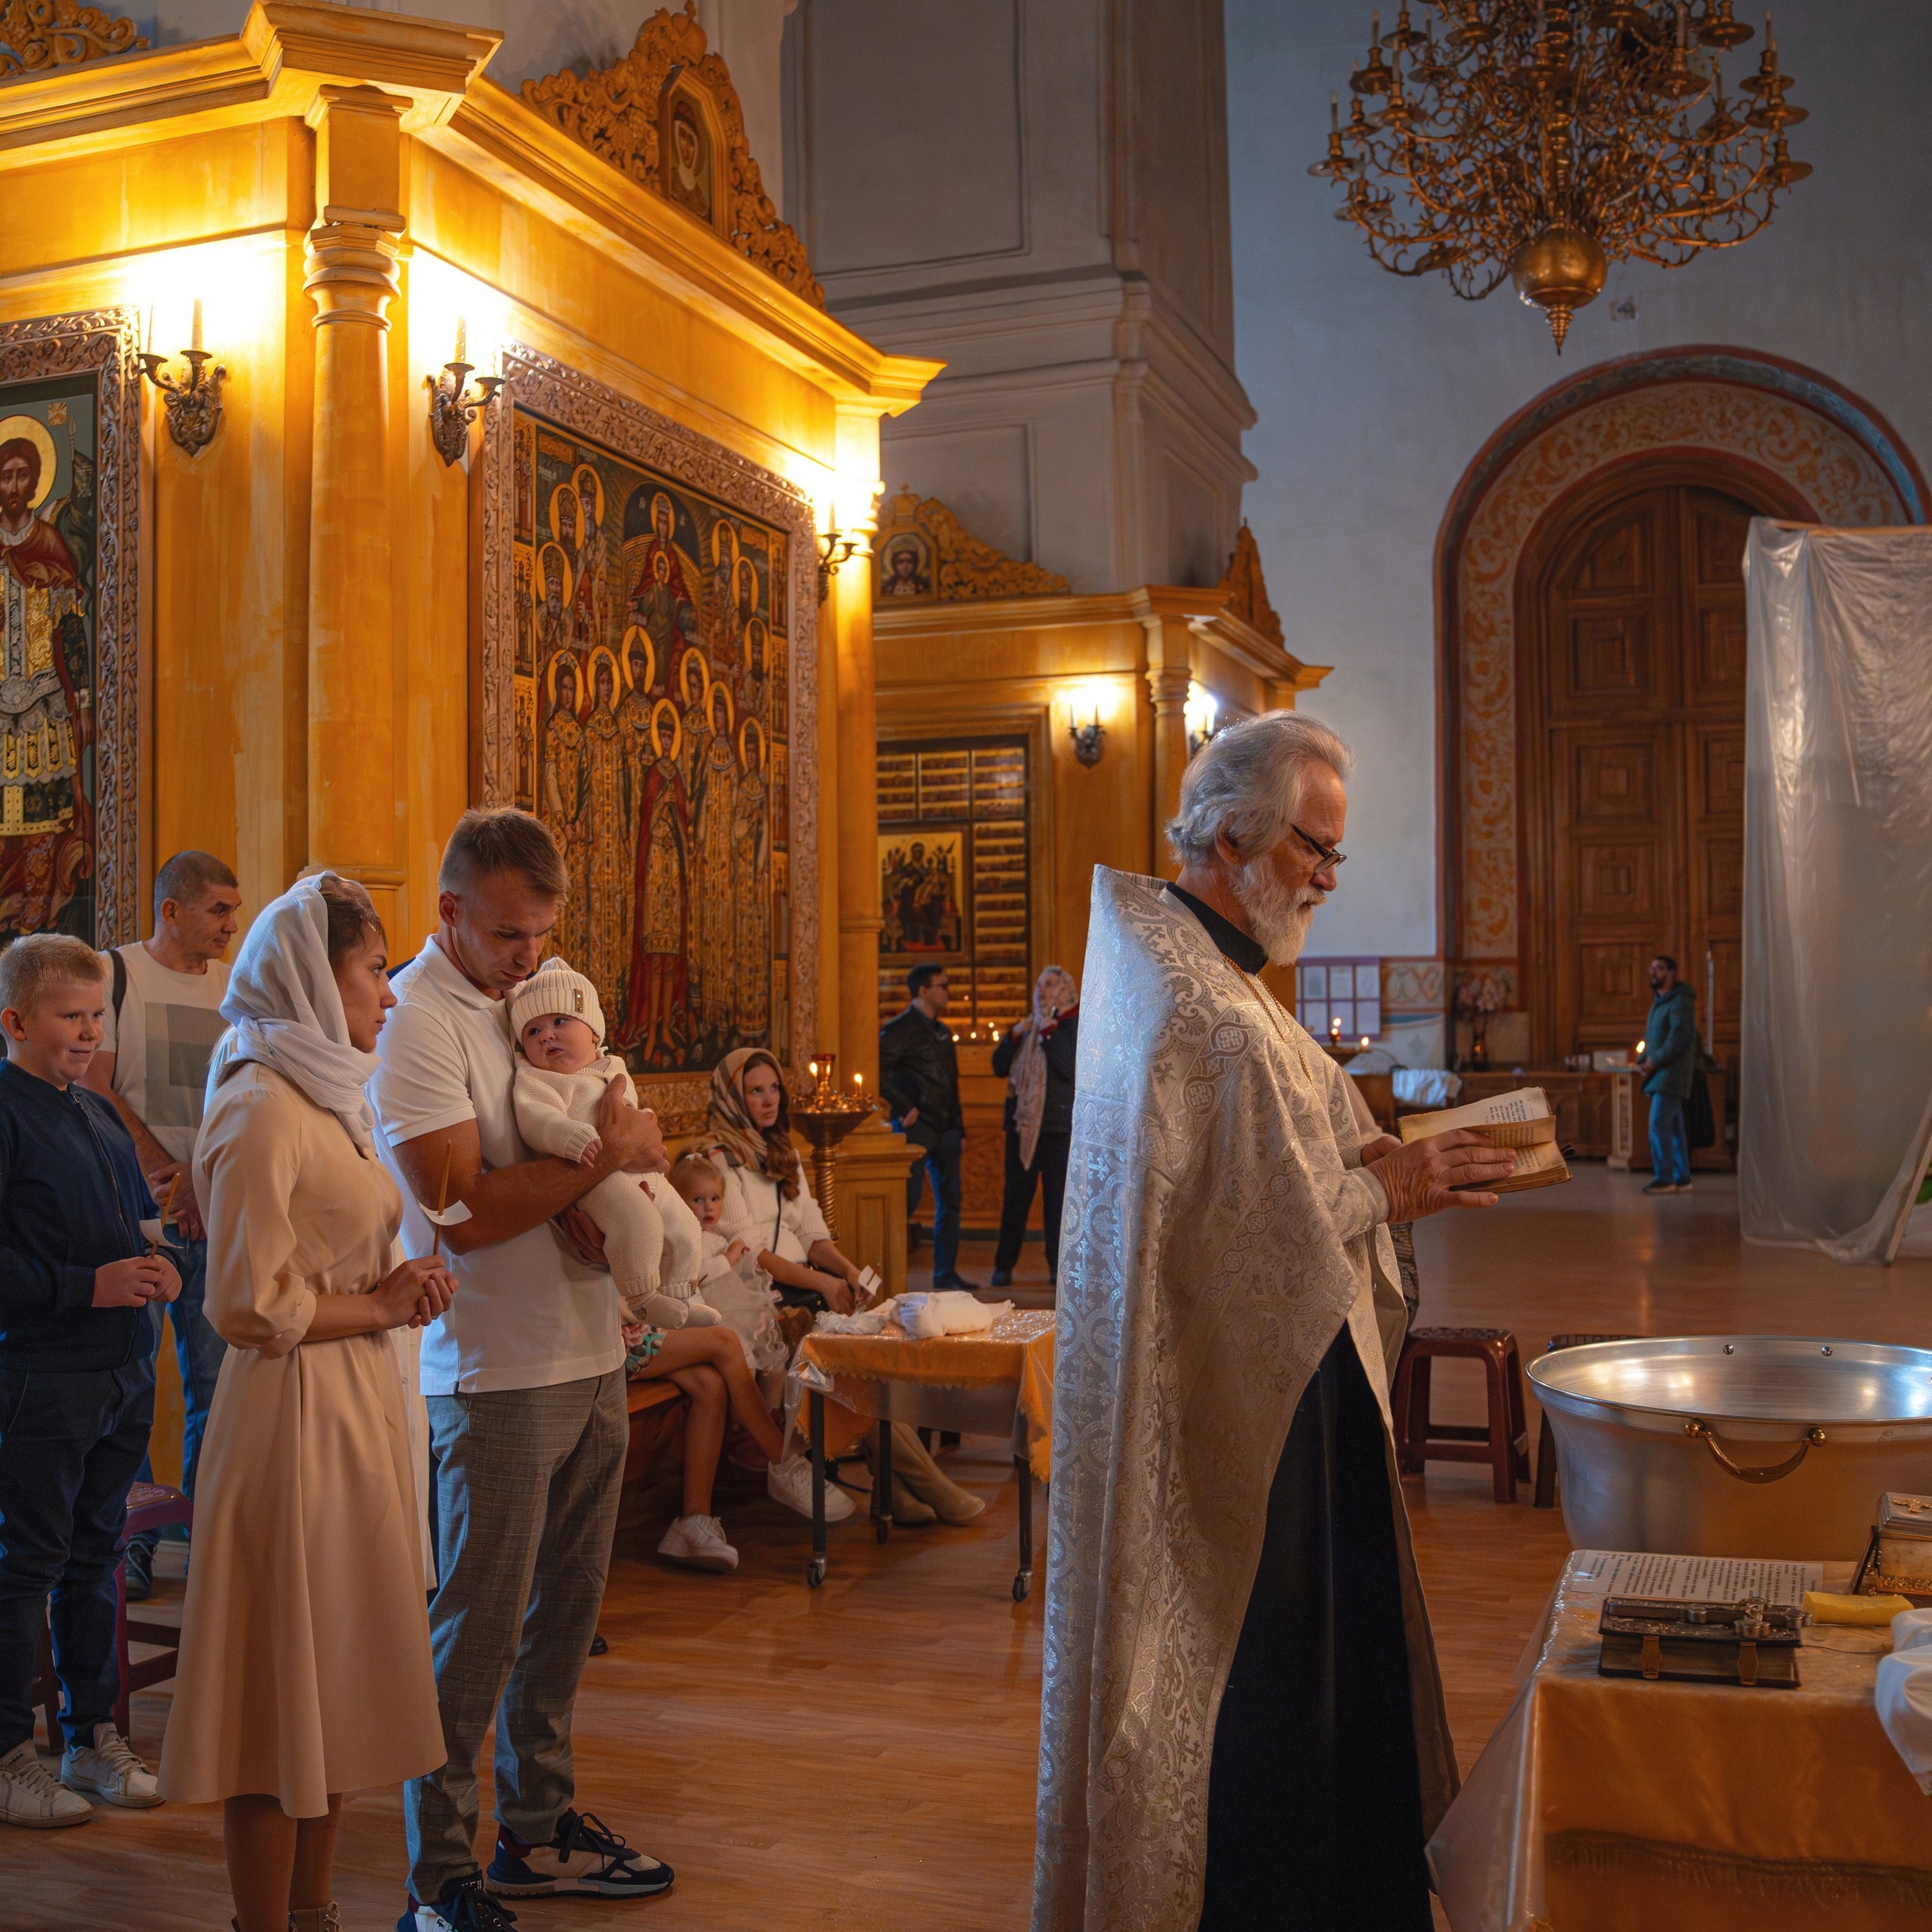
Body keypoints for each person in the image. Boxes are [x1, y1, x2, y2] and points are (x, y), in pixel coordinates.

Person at [1034, 711, 1518, 1932]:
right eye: (1318, 849)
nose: (1329, 879)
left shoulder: (1199, 975)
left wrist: (1365, 1164)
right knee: (1267, 1681)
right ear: (1239, 834)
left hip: (1283, 1377)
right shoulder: (1202, 1010)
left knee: (1313, 1668)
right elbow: (1242, 1241)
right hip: (1249, 1417)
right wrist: (1387, 1185)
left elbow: (1258, 1188)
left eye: (1337, 855)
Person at [370, 809, 674, 1932]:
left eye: (543, 934)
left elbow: (624, 1119)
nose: (531, 959)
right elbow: (460, 1212)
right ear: (450, 912)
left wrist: (612, 1175)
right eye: (508, 935)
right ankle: (438, 1876)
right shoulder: (415, 1020)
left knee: (566, 1615)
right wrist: (599, 1167)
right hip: (492, 1373)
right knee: (477, 1630)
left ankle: (537, 1832)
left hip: (594, 1349)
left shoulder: (553, 990)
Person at [158, 875, 456, 1932]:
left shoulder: (332, 1089)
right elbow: (244, 1302)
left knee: (335, 1695)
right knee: (278, 1706)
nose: (387, 989)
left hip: (355, 1406)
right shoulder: (257, 1101)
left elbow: (349, 1252)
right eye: (373, 967)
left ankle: (319, 1913)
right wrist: (377, 1301)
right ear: (311, 975)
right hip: (288, 1420)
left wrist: (399, 1291)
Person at [0, 934, 178, 1830]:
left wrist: (156, 1260)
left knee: (94, 1561)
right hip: (39, 1377)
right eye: (70, 1016)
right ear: (15, 1019)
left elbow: (132, 1219)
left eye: (96, 1015)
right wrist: (88, 1286)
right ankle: (6, 1755)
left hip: (119, 1372)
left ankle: (89, 1737)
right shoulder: (6, 1109)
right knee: (23, 1568)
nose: (86, 1032)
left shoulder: (97, 1111)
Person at [81, 849, 243, 1599]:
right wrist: (165, 1174)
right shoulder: (115, 976)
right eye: (218, 909)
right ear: (170, 909)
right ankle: (132, 1539)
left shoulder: (236, 988)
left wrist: (204, 1183)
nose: (231, 925)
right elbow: (95, 1083)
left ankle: (209, 1531)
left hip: (214, 1210)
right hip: (135, 1210)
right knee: (133, 1382)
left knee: (215, 1377)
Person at [696, 1048, 870, 1521]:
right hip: (746, 1284)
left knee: (872, 1332)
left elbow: (811, 1230)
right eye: (755, 1090)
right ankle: (785, 1460)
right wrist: (824, 1284)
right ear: (734, 1097)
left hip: (800, 1279)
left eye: (774, 1088)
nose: (769, 1100)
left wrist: (849, 1273)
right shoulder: (718, 1157)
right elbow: (750, 1250)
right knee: (813, 1330)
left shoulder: (784, 1151)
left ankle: (898, 1475)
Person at [509, 957, 716, 1331]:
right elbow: (534, 1119)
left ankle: (680, 1293)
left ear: (593, 1032)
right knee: (640, 1224)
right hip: (592, 1175)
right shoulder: (537, 1079)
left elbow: (633, 1113)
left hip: (639, 1168)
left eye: (559, 1021)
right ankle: (643, 1299)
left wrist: (647, 1130)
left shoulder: (614, 1066)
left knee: (685, 1225)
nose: (546, 1035)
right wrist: (567, 1135)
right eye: (532, 1031)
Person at [879, 964, 972, 1289]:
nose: (949, 991)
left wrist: (959, 1129)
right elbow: (878, 1072)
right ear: (923, 990)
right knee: (907, 1199)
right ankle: (891, 1277)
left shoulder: (943, 1031)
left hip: (946, 1128)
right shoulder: (897, 1030)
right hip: (915, 1128)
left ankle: (944, 1275)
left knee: (951, 1202)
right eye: (943, 985)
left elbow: (952, 1083)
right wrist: (906, 1107)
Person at [989, 966, 1080, 1288]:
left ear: (1066, 991)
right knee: (1015, 1200)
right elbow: (999, 1067)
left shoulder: (1072, 1026)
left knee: (1057, 1202)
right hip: (1022, 1128)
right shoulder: (1027, 1026)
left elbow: (1070, 1067)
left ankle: (1058, 1268)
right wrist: (1015, 1036)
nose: (1043, 991)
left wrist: (1049, 1032)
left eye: (1051, 986)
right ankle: (1003, 1266)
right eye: (1040, 985)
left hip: (1057, 1129)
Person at [1638, 952, 1697, 1196]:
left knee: (1658, 1125)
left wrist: (1653, 1062)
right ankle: (1682, 1178)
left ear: (1672, 973)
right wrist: (1643, 1059)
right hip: (1661, 1072)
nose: (1654, 972)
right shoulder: (1659, 1002)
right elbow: (1652, 1037)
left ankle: (1664, 1178)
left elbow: (1678, 1039)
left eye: (1660, 968)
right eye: (1652, 968)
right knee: (1673, 1128)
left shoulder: (1680, 1001)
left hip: (1671, 1074)